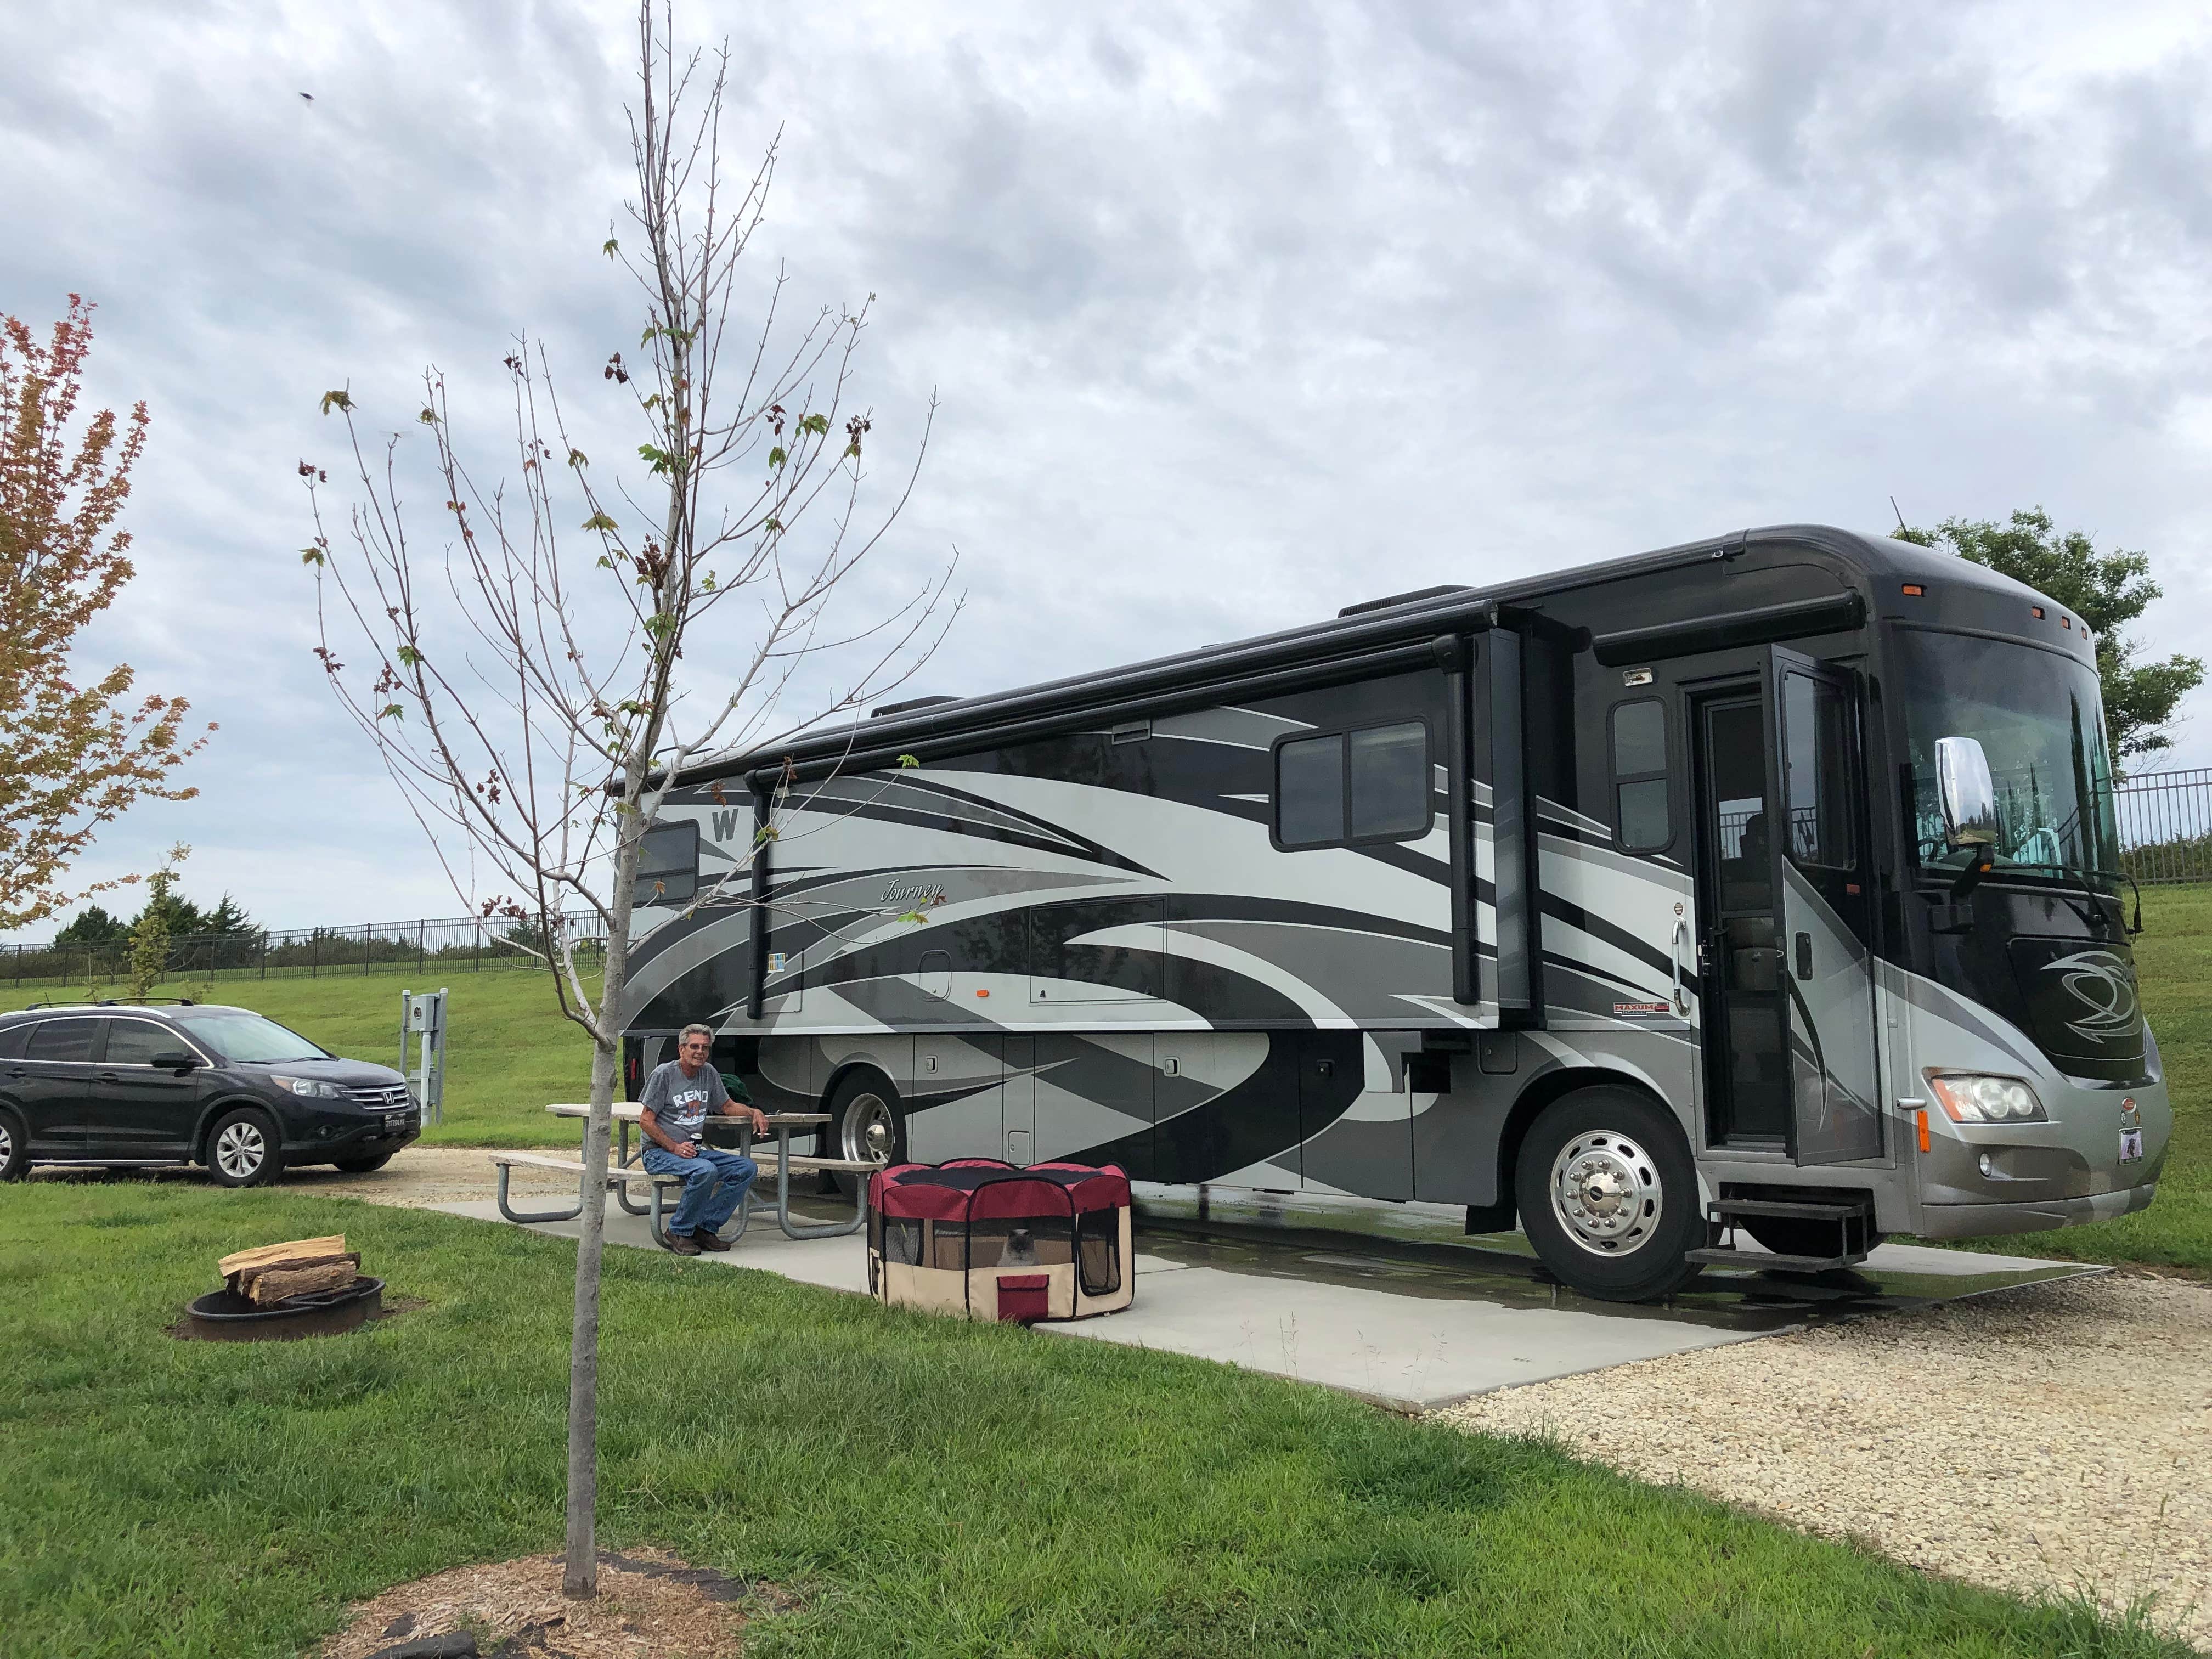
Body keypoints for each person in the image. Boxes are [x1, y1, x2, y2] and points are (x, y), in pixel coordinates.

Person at [640, 1023, 768, 1256]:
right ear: (681, 1049)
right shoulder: (664, 1075)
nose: (700, 1052)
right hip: (658, 1152)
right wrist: (674, 1147)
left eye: (705, 1048)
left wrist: (754, 1111)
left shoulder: (709, 1073)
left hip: (693, 1152)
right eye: (694, 1047)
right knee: (705, 1171)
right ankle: (678, 1231)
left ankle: (705, 1228)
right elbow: (646, 1121)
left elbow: (727, 1106)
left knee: (746, 1168)